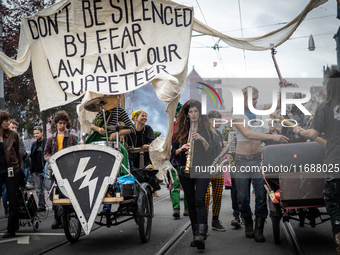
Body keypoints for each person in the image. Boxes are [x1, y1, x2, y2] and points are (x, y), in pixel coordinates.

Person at [232, 86, 288, 242]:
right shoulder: (237, 113)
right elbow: (248, 134)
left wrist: (282, 89)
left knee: (261, 196)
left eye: (256, 98)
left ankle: (259, 228)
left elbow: (278, 104)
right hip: (241, 160)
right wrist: (272, 137)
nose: (256, 102)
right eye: (253, 99)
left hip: (257, 159)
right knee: (242, 198)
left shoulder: (259, 109)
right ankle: (248, 223)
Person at [293, 70, 340, 254]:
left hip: (335, 162)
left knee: (333, 202)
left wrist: (298, 131)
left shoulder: (324, 107)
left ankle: (338, 237)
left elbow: (312, 134)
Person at [171, 100, 215, 250]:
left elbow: (212, 152)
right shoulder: (181, 131)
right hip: (185, 170)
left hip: (203, 169)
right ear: (187, 114)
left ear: (200, 113)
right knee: (190, 202)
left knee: (200, 199)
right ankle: (196, 234)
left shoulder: (207, 130)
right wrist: (180, 149)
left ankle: (202, 234)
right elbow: (173, 152)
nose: (193, 114)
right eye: (190, 112)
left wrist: (202, 140)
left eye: (196, 111)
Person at [44, 110, 78, 229]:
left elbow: (77, 152)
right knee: (55, 193)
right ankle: (57, 219)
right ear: (56, 124)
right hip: (56, 170)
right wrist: (51, 159)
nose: (62, 125)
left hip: (69, 170)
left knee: (70, 192)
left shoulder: (72, 137)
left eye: (64, 123)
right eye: (60, 123)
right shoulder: (51, 139)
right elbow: (46, 153)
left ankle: (73, 216)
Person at [0, 110, 22, 238]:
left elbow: (18, 152)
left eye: (9, 119)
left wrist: (18, 168)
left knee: (13, 199)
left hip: (11, 170)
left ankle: (11, 228)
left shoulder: (14, 135)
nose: (8, 122)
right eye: (6, 120)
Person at [205, 110, 225, 231]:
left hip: (218, 167)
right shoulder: (204, 133)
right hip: (206, 168)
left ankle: (215, 221)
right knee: (206, 197)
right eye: (218, 120)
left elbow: (220, 148)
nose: (220, 122)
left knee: (218, 196)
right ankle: (204, 223)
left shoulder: (218, 133)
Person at [169, 102, 188, 218]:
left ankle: (186, 207)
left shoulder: (188, 125)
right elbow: (170, 142)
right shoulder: (173, 125)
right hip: (176, 158)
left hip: (186, 158)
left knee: (187, 185)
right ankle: (176, 209)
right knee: (175, 184)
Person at [222, 123, 242, 229]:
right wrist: (224, 143)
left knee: (244, 189)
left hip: (247, 162)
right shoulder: (228, 128)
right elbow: (223, 142)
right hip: (234, 162)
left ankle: (245, 214)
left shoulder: (248, 125)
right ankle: (236, 215)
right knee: (234, 190)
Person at [30, 126, 48, 212]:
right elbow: (32, 157)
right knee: (38, 190)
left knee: (49, 188)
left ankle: (56, 205)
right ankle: (41, 206)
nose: (36, 135)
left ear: (42, 133)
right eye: (35, 134)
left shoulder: (47, 142)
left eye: (37, 133)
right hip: (37, 171)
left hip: (47, 170)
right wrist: (31, 169)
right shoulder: (34, 144)